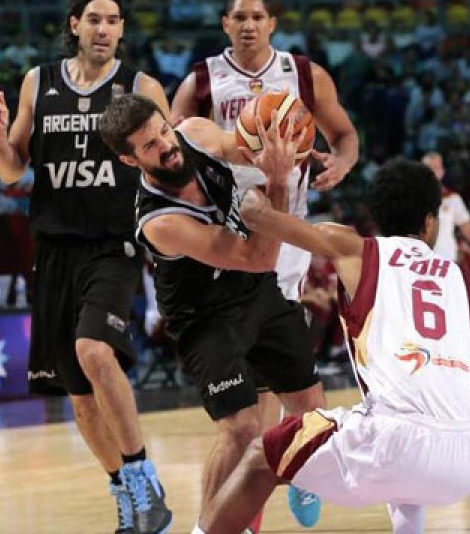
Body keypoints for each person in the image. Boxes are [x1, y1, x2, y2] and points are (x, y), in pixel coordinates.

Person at [193, 158, 470, 534]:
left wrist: (259, 178)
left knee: (263, 456)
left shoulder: (355, 248)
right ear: (429, 222)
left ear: (375, 218)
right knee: (405, 472)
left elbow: (257, 216)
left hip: (393, 444)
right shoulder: (459, 278)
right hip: (468, 459)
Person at [0, 0, 173, 533]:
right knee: (79, 397)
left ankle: (143, 474)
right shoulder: (38, 82)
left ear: (122, 29)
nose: (103, 29)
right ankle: (124, 491)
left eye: (113, 21)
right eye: (94, 19)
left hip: (114, 245)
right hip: (55, 250)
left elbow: (171, 162)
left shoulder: (141, 87)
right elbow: (12, 170)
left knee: (94, 350)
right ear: (75, 25)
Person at [171, 0, 360, 525]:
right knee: (252, 397)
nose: (249, 25)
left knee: (277, 377)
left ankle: (289, 473)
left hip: (286, 233)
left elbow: (345, 134)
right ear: (225, 23)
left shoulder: (303, 74)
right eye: (240, 17)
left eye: (258, 17)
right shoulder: (201, 82)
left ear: (272, 23)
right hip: (228, 236)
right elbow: (171, 151)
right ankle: (259, 497)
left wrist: (340, 164)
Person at [97, 93, 325, 527]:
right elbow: (259, 256)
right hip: (204, 318)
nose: (166, 145)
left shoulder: (195, 134)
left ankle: (301, 470)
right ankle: (207, 528)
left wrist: (284, 142)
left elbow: (245, 148)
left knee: (310, 410)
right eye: (150, 145)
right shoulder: (159, 221)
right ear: (130, 160)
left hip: (255, 293)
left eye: (164, 131)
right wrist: (277, 184)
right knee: (241, 428)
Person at [422, 151, 470, 265]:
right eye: (429, 168)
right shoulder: (411, 198)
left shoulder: (453, 198)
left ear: (442, 172)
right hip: (419, 260)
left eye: (436, 168)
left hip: (446, 260)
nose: (432, 172)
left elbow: (467, 228)